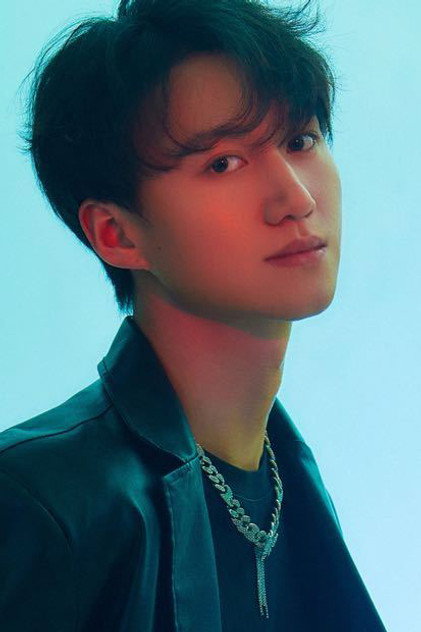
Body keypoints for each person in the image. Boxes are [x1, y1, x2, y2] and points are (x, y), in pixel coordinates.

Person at [0, 0, 387, 630]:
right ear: (117, 234)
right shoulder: (38, 502)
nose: (295, 198)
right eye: (222, 163)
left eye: (301, 140)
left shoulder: (286, 476)